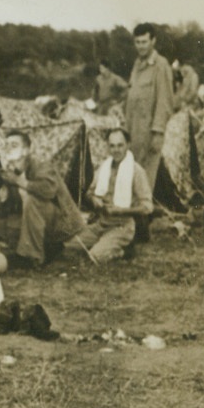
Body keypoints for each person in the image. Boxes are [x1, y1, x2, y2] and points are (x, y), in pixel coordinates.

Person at [0, 130, 84, 270]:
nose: (8, 149)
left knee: (31, 200)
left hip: (63, 222)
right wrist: (3, 197)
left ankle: (31, 258)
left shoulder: (41, 164)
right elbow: (2, 211)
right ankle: (47, 248)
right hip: (40, 221)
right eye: (7, 145)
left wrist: (19, 181)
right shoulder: (12, 170)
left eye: (14, 145)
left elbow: (49, 190)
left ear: (26, 150)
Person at [65, 127, 153, 264]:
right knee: (69, 247)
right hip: (101, 223)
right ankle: (104, 244)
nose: (116, 150)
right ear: (108, 147)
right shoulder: (104, 167)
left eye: (120, 145)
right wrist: (94, 200)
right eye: (112, 146)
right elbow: (89, 193)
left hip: (122, 225)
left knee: (95, 257)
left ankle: (123, 250)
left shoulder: (136, 171)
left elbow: (148, 207)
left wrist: (121, 210)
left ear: (128, 145)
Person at [123, 23, 175, 183]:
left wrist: (158, 132)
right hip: (132, 130)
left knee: (145, 178)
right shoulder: (137, 65)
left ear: (153, 41)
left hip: (148, 132)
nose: (141, 46)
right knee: (132, 172)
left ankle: (144, 206)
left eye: (144, 42)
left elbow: (164, 102)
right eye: (137, 42)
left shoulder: (161, 65)